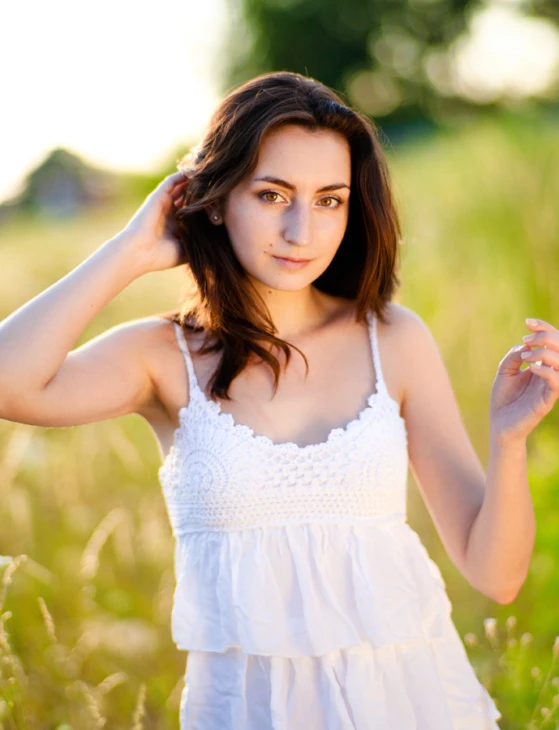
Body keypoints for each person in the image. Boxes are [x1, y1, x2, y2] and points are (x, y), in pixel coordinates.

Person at [0, 71, 557, 729]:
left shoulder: (393, 339)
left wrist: (508, 438)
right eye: (271, 195)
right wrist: (129, 252)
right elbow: (11, 382)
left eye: (329, 200)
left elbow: (495, 576)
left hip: (410, 702)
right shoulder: (162, 356)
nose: (302, 230)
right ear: (211, 199)